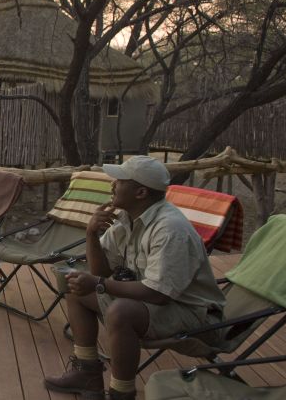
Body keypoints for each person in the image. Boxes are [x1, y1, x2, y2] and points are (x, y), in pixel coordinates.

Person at [44, 156, 226, 400]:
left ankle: (121, 393)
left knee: (121, 311)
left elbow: (158, 294)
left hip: (195, 317)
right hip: (157, 303)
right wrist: (91, 234)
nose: (112, 185)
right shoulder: (125, 219)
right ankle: (87, 373)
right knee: (76, 285)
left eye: (119, 181)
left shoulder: (170, 229)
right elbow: (102, 273)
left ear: (140, 192)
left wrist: (99, 284)